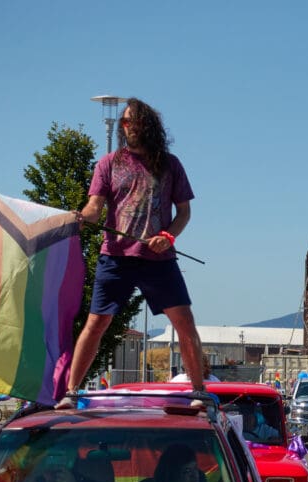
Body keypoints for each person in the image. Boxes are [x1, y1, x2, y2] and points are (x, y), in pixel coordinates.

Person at [56, 97, 204, 407]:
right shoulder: (108, 163)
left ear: (147, 125)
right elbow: (95, 208)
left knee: (185, 323)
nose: (128, 127)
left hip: (158, 259)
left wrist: (168, 235)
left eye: (133, 121)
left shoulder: (170, 164)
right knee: (96, 323)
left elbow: (184, 213)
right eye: (124, 122)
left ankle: (198, 392)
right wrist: (82, 218)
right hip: (115, 257)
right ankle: (71, 392)